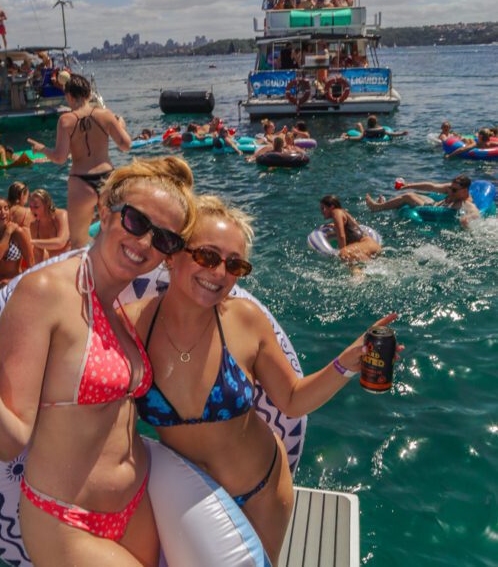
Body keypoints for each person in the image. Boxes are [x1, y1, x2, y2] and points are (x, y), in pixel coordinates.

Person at [0, 156, 197, 566]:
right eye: (136, 221)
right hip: (67, 522)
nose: (146, 243)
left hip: (136, 507)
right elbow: (8, 442)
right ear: (104, 210)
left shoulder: (119, 307)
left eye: (165, 239)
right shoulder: (45, 292)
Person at [125, 194, 399, 561]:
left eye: (235, 265)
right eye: (207, 256)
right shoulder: (132, 326)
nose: (219, 273)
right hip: (182, 501)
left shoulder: (246, 320)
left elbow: (292, 400)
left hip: (260, 492)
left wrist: (347, 363)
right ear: (173, 253)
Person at [28, 73, 132, 249]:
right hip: (108, 178)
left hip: (81, 182)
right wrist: (120, 125)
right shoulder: (105, 115)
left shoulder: (66, 120)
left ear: (68, 96)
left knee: (77, 242)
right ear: (89, 93)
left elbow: (60, 158)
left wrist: (41, 149)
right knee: (115, 234)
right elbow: (125, 145)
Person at [365, 174, 480, 228]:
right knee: (414, 194)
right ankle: (384, 204)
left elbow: (475, 212)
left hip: (433, 210)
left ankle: (377, 207)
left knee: (408, 197)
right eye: (450, 187)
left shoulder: (465, 201)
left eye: (454, 189)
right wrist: (408, 185)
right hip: (434, 204)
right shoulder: (452, 189)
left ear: (464, 190)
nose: (450, 190)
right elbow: (431, 186)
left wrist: (468, 218)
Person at [319, 195, 381, 263]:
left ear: (331, 207)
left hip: (366, 244)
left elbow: (341, 236)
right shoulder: (342, 212)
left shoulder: (336, 212)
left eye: (323, 208)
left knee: (344, 253)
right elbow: (355, 225)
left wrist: (342, 253)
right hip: (369, 245)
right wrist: (335, 225)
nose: (322, 211)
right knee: (354, 265)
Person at [29, 188, 71, 263]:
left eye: (36, 207)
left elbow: (60, 243)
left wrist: (32, 242)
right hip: (55, 265)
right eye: (31, 207)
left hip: (71, 261)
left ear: (47, 204)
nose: (32, 210)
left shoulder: (61, 215)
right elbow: (38, 254)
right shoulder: (34, 226)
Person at [343, 115, 408, 141]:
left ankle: (360, 125)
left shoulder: (366, 131)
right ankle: (360, 125)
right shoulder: (382, 130)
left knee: (361, 132)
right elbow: (392, 134)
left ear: (368, 124)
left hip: (368, 139)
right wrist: (402, 133)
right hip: (380, 140)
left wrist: (348, 138)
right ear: (376, 123)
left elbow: (359, 138)